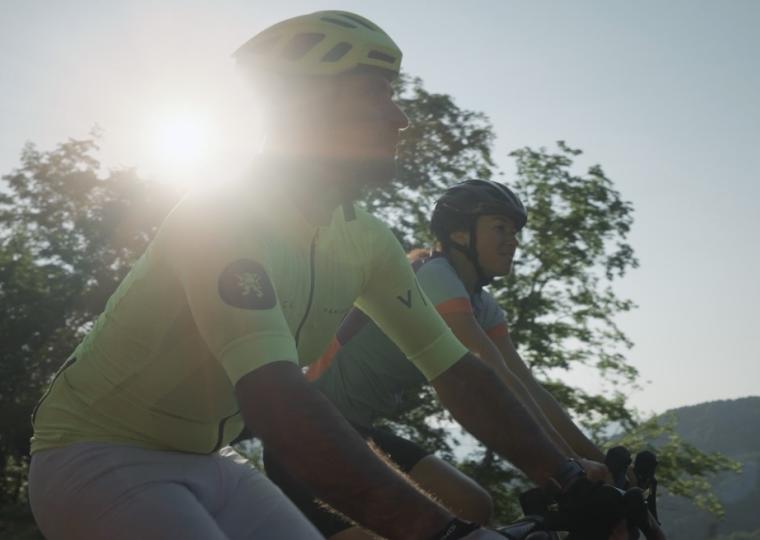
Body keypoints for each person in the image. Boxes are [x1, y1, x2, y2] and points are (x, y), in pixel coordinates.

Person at [28, 10, 610, 540]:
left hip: (211, 460)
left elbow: (458, 371)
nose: (400, 116)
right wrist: (445, 534)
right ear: (305, 106)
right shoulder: (221, 217)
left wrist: (569, 477)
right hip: (94, 453)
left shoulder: (365, 238)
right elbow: (277, 398)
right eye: (377, 92)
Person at [266, 179, 610, 539]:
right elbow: (489, 375)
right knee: (456, 512)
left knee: (472, 507)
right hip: (306, 431)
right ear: (461, 234)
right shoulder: (435, 276)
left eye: (515, 231)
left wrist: (595, 459)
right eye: (500, 228)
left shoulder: (482, 304)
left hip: (354, 432)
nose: (513, 240)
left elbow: (524, 383)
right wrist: (565, 468)